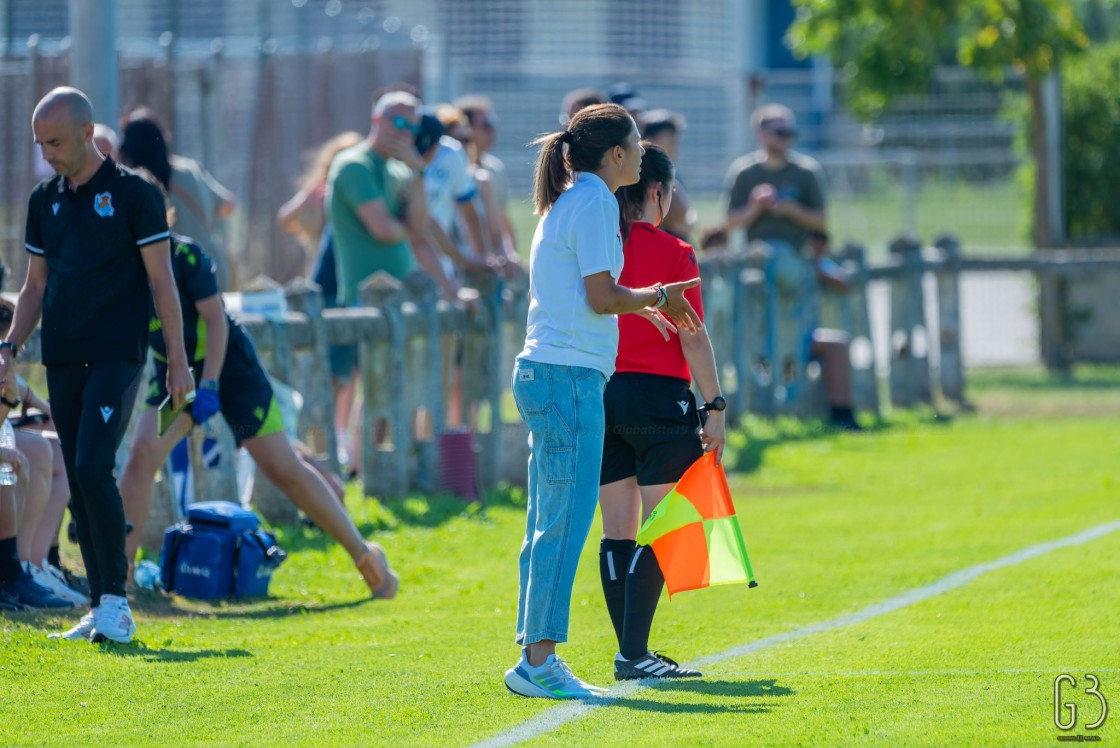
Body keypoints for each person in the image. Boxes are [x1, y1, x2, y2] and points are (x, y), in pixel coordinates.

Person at [504, 103, 702, 700]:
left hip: (552, 373)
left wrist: (646, 302)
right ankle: (539, 663)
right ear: (616, 154)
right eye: (637, 144)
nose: (644, 154)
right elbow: (600, 297)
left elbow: (599, 295)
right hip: (567, 377)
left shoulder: (573, 199)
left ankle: (534, 655)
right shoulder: (591, 202)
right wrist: (657, 296)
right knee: (561, 525)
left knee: (548, 523)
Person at [117, 198, 397, 600]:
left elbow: (216, 323)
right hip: (175, 380)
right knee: (143, 454)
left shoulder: (187, 258)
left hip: (230, 376)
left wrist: (210, 386)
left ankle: (366, 557)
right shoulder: (119, 268)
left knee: (284, 470)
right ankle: (119, 578)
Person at [2, 87, 194, 643]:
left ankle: (116, 600)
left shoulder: (135, 195)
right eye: (40, 144)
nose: (48, 154)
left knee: (89, 465)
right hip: (62, 355)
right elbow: (34, 286)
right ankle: (101, 603)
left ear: (89, 133)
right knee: (83, 481)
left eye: (56, 142)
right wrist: (10, 347)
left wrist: (176, 361)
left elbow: (162, 282)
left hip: (118, 353)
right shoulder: (44, 201)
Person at [599, 143, 725, 681]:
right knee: (669, 526)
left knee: (617, 531)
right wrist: (714, 404)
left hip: (599, 394)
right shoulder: (674, 251)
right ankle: (633, 654)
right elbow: (692, 337)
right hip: (658, 399)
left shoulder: (599, 246)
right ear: (657, 192)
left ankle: (632, 649)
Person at [725, 104, 859, 429]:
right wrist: (756, 207)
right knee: (758, 342)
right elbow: (730, 223)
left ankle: (797, 405)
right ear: (761, 133)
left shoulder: (805, 171)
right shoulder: (745, 173)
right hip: (757, 269)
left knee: (794, 339)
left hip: (795, 271)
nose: (785, 138)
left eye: (789, 132)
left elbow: (822, 220)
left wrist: (789, 209)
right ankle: (759, 408)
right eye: (778, 131)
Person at [118, 110, 237, 291]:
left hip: (175, 283)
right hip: (213, 270)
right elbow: (228, 204)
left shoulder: (135, 187)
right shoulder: (189, 170)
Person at [454, 95, 522, 271]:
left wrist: (510, 254)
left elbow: (502, 220)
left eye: (493, 124)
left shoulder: (494, 168)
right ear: (467, 130)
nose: (493, 131)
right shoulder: (452, 170)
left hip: (489, 265)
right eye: (486, 126)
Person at [641, 109, 697, 243]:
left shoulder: (672, 173)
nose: (675, 146)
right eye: (670, 140)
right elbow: (680, 213)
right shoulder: (645, 174)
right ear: (650, 140)